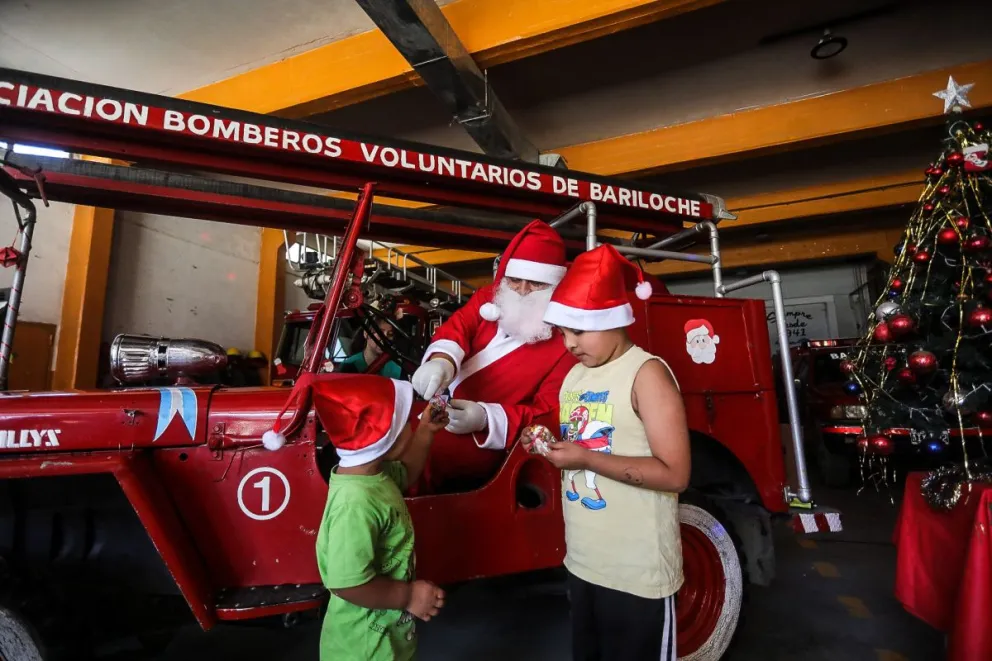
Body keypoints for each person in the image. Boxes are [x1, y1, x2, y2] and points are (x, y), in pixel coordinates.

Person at [527, 244, 691, 661]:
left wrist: (586, 458)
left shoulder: (646, 374)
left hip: (637, 572)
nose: (568, 344)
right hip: (585, 562)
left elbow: (675, 474)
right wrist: (547, 442)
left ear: (612, 320)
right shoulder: (574, 377)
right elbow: (586, 441)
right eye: (563, 333)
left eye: (577, 331)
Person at [409, 220, 578, 490]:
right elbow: (458, 328)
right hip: (434, 415)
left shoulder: (566, 345)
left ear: (555, 286)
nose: (521, 290)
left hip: (485, 446)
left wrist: (486, 417)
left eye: (535, 283)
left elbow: (547, 414)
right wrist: (441, 360)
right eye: (514, 280)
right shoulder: (489, 298)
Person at [312, 375, 448, 660]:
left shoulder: (374, 475)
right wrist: (409, 597)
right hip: (363, 648)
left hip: (385, 637)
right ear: (384, 436)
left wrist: (425, 431)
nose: (410, 424)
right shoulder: (356, 503)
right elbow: (346, 582)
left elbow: (407, 473)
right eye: (406, 422)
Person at [339, 318, 403, 377]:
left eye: (390, 334)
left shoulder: (397, 368)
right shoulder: (348, 366)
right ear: (366, 333)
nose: (385, 338)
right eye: (379, 332)